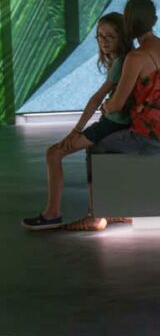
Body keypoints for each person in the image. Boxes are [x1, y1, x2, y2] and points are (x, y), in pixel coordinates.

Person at [22, 13, 134, 231]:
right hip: (112, 122)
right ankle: (108, 210)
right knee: (89, 156)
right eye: (100, 36)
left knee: (54, 153)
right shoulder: (122, 59)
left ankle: (52, 214)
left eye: (110, 36)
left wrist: (76, 130)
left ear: (123, 37)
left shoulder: (121, 61)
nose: (104, 41)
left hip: (111, 124)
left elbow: (96, 98)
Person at [97, 0, 160, 155]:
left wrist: (105, 106)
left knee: (97, 145)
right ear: (154, 20)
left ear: (128, 23)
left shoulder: (135, 57)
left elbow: (117, 104)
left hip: (152, 139)